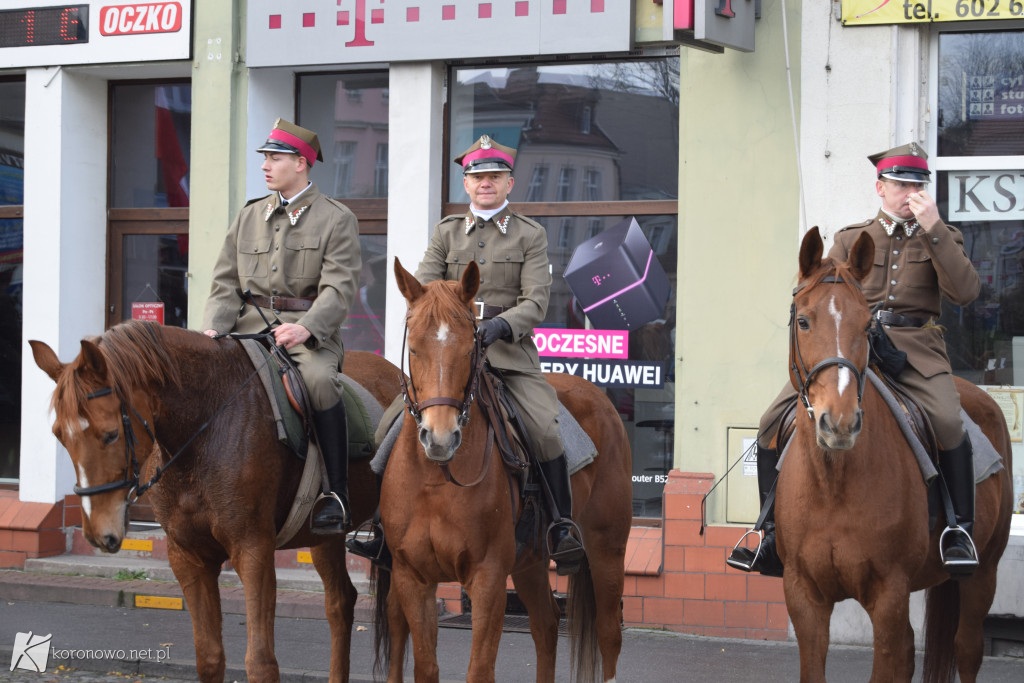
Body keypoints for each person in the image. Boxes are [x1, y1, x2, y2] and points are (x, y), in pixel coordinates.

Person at [727, 142, 982, 576]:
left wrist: (934, 228)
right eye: (900, 184)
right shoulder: (850, 238)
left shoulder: (943, 236)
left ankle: (958, 530)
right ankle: (770, 534)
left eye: (917, 184)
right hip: (850, 347)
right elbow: (824, 296)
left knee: (948, 420)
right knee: (771, 421)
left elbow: (965, 293)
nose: (909, 193)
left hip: (915, 349)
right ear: (880, 187)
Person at [347, 134, 585, 574]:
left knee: (546, 430)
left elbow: (535, 302)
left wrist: (498, 325)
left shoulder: (531, 235)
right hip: (447, 357)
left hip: (508, 355)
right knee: (386, 430)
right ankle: (380, 528)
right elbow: (420, 288)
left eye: (494, 177)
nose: (485, 184)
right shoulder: (447, 232)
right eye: (477, 177)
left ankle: (561, 527)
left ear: (509, 183)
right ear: (466, 184)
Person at [202, 118, 362, 535]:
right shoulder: (250, 215)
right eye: (266, 158)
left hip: (307, 337)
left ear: (301, 163)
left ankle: (337, 494)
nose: (265, 166)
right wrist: (212, 329)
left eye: (274, 158)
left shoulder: (336, 218)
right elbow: (224, 282)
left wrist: (305, 329)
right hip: (245, 330)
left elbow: (339, 288)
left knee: (322, 382)